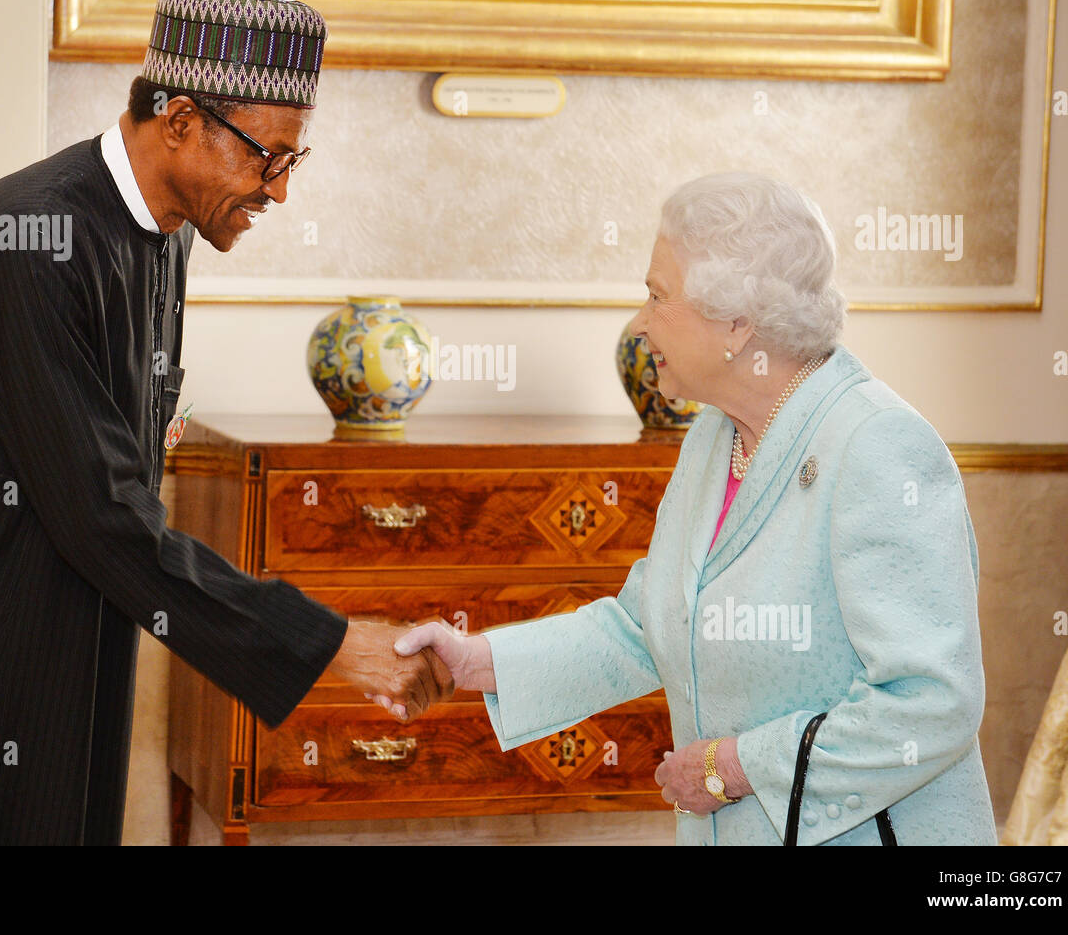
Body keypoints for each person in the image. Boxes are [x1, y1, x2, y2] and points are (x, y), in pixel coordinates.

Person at [0, 0, 450, 846]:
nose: (279, 189)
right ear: (181, 120)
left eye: (293, 159)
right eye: (266, 156)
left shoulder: (165, 227)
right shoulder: (30, 241)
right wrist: (328, 643)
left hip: (53, 614)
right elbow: (104, 511)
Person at [396, 172, 997, 845]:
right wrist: (475, 660)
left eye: (656, 295)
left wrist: (735, 767)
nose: (640, 321)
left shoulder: (877, 444)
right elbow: (646, 624)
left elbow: (931, 702)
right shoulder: (715, 437)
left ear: (736, 322)